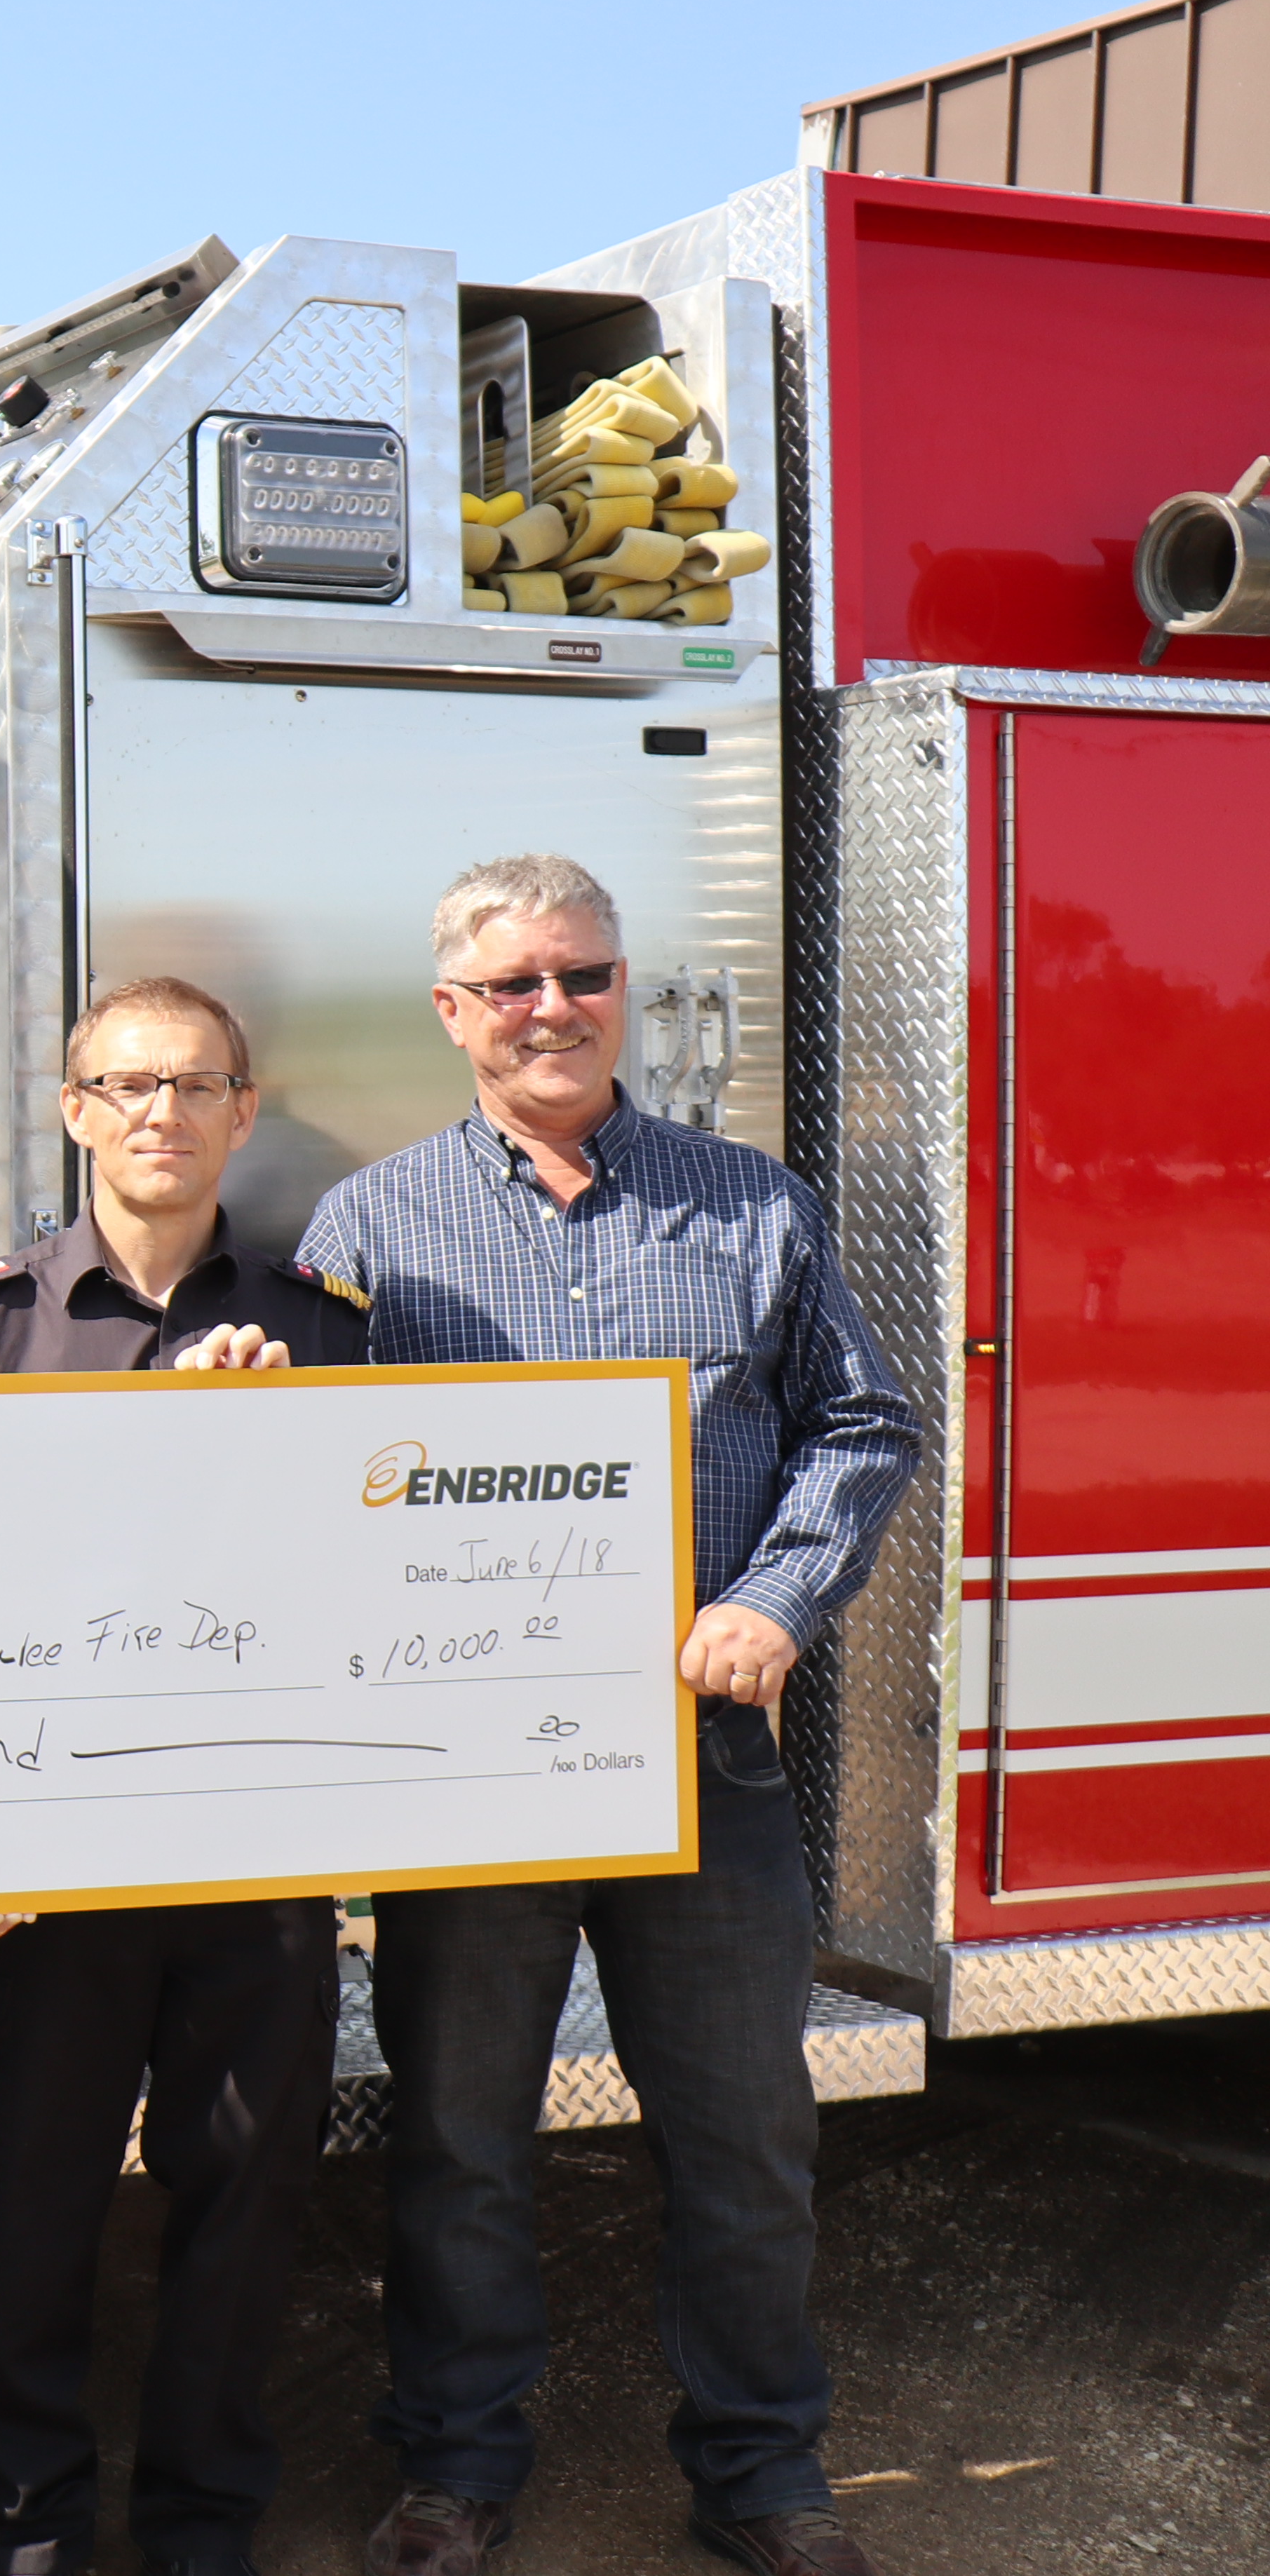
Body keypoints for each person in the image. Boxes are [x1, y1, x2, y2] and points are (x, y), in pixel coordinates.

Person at [299, 855, 919, 2576]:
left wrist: (773, 1597)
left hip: (701, 1763)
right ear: (452, 1012)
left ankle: (761, 2474)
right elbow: (295, 1490)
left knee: (742, 2136)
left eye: (581, 973)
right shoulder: (368, 1229)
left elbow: (863, 1427)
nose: (551, 1007)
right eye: (510, 983)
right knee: (460, 2135)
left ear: (626, 987)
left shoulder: (748, 1206)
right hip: (470, 1773)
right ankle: (454, 2464)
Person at [0, 976, 371, 2576]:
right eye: (124, 1085)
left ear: (244, 1111)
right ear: (72, 1109)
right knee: (24, 2199)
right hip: (49, 1850)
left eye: (192, 1085)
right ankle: (25, 2510)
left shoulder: (327, 1330)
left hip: (251, 1845)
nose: (158, 1114)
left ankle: (199, 2517)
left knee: (243, 2199)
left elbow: (365, 1583)